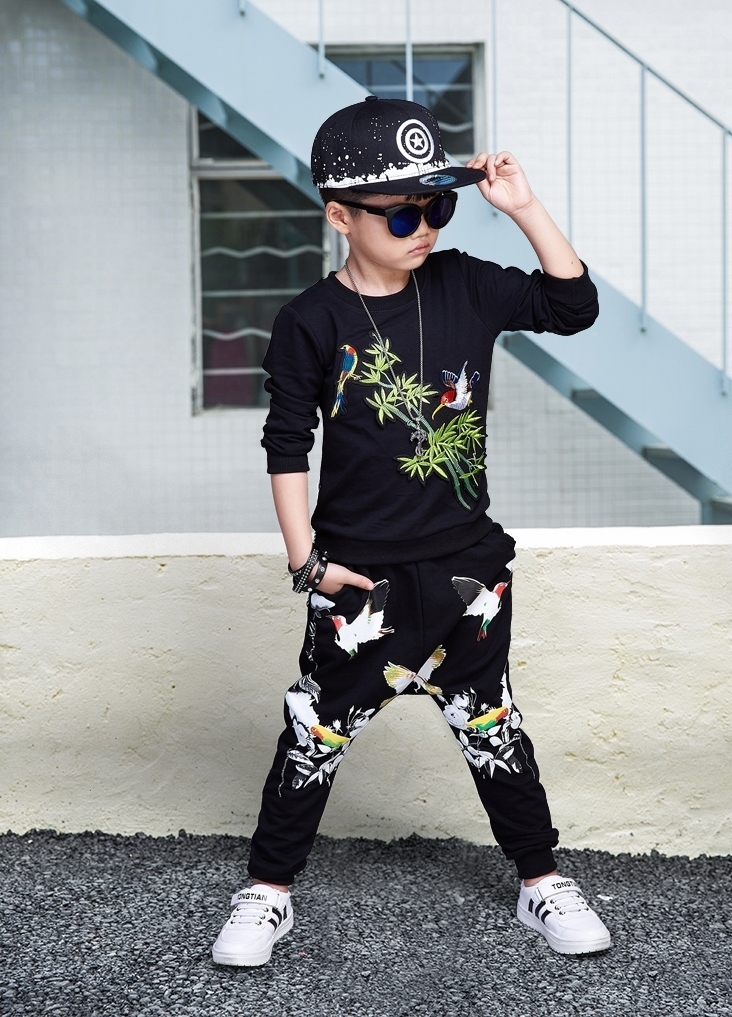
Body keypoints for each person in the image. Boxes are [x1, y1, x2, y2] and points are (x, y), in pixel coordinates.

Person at [211, 96, 611, 966]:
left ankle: (540, 881)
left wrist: (523, 206)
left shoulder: (464, 283)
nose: (423, 227)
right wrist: (306, 563)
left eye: (436, 207)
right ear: (340, 217)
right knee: (314, 732)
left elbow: (573, 305)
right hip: (362, 579)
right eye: (401, 213)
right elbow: (287, 443)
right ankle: (267, 892)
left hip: (468, 568)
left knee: (494, 727)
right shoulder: (310, 320)